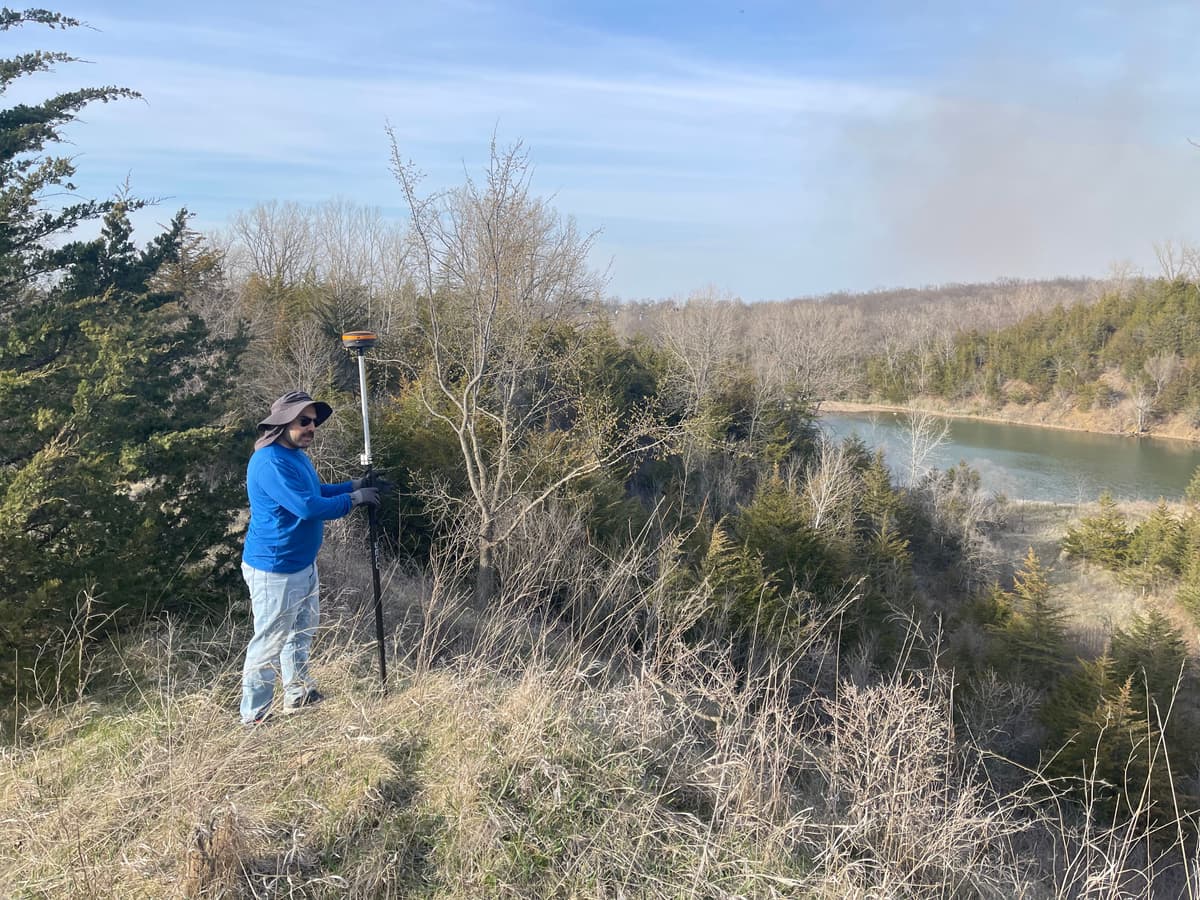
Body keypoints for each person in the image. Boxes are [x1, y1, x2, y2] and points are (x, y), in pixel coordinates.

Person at [239, 390, 381, 725]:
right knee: (269, 642)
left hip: (302, 564)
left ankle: (299, 693)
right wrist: (356, 499)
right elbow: (307, 507)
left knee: (300, 632)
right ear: (283, 422)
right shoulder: (270, 462)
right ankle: (254, 717)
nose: (311, 428)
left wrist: (353, 484)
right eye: (304, 421)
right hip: (274, 569)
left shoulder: (296, 455)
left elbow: (314, 491)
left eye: (314, 422)